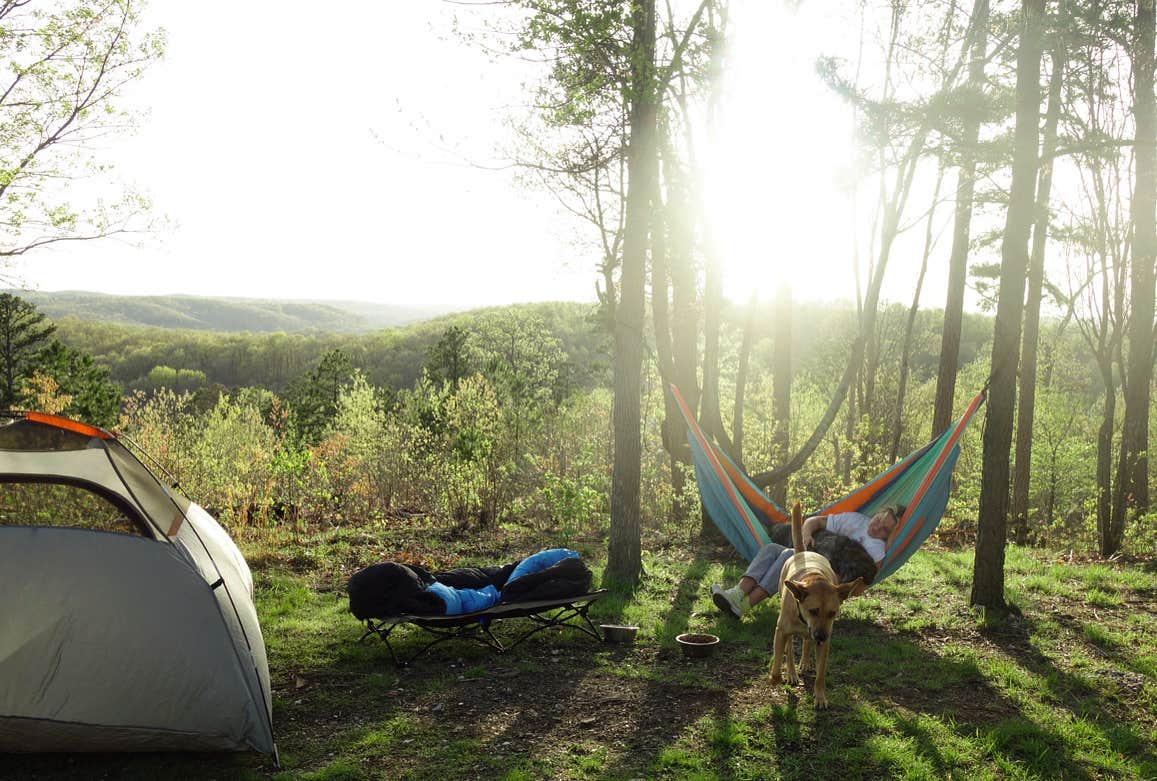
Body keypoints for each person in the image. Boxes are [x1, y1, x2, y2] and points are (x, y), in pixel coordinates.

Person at [709, 503, 904, 619]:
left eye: (885, 529)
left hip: (822, 574)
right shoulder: (855, 519)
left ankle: (746, 605)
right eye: (879, 520)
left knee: (788, 556)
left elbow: (863, 585)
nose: (878, 527)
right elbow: (814, 521)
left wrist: (837, 588)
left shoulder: (877, 549)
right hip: (809, 551)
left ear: (889, 535)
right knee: (771, 549)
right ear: (876, 513)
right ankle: (737, 592)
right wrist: (805, 535)